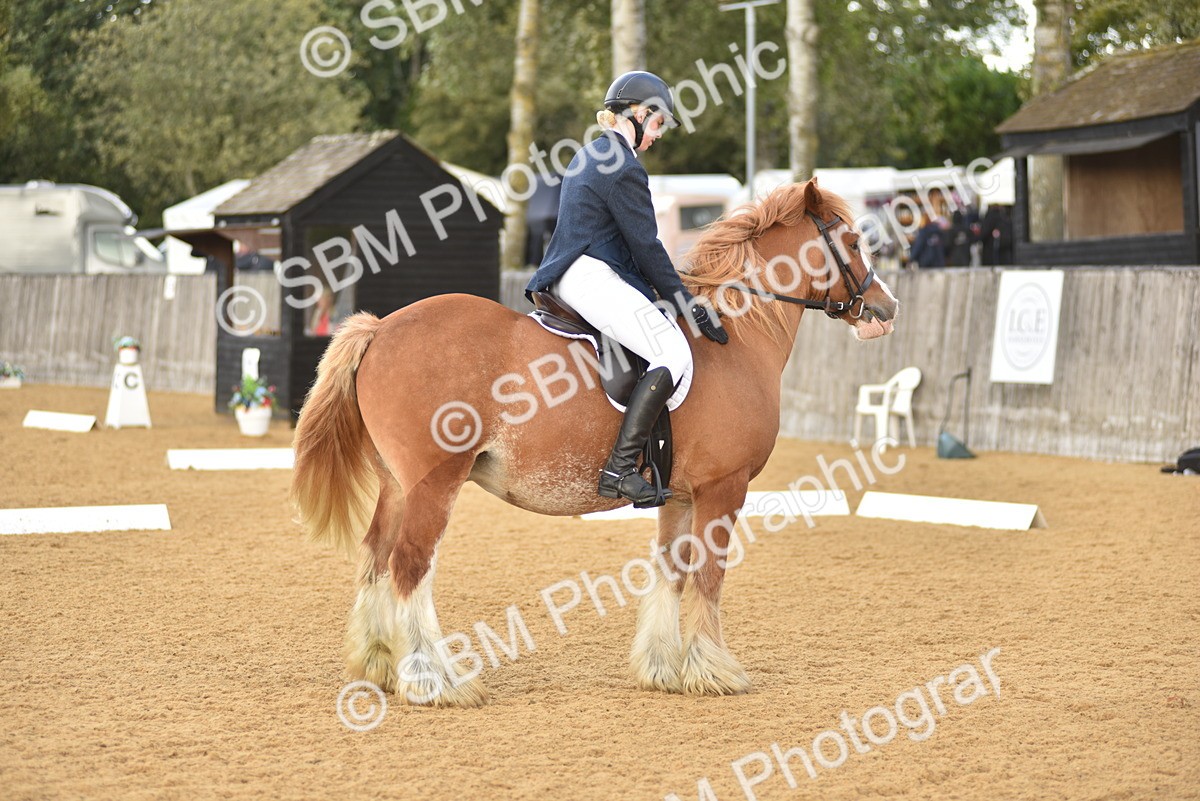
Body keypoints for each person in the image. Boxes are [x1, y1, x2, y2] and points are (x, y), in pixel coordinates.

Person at [525, 70, 728, 507]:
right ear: (638, 114)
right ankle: (619, 469)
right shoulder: (623, 166)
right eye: (657, 123)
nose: (659, 134)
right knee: (672, 352)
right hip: (591, 277)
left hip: (576, 273)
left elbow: (620, 242)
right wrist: (685, 302)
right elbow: (646, 245)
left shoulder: (592, 153)